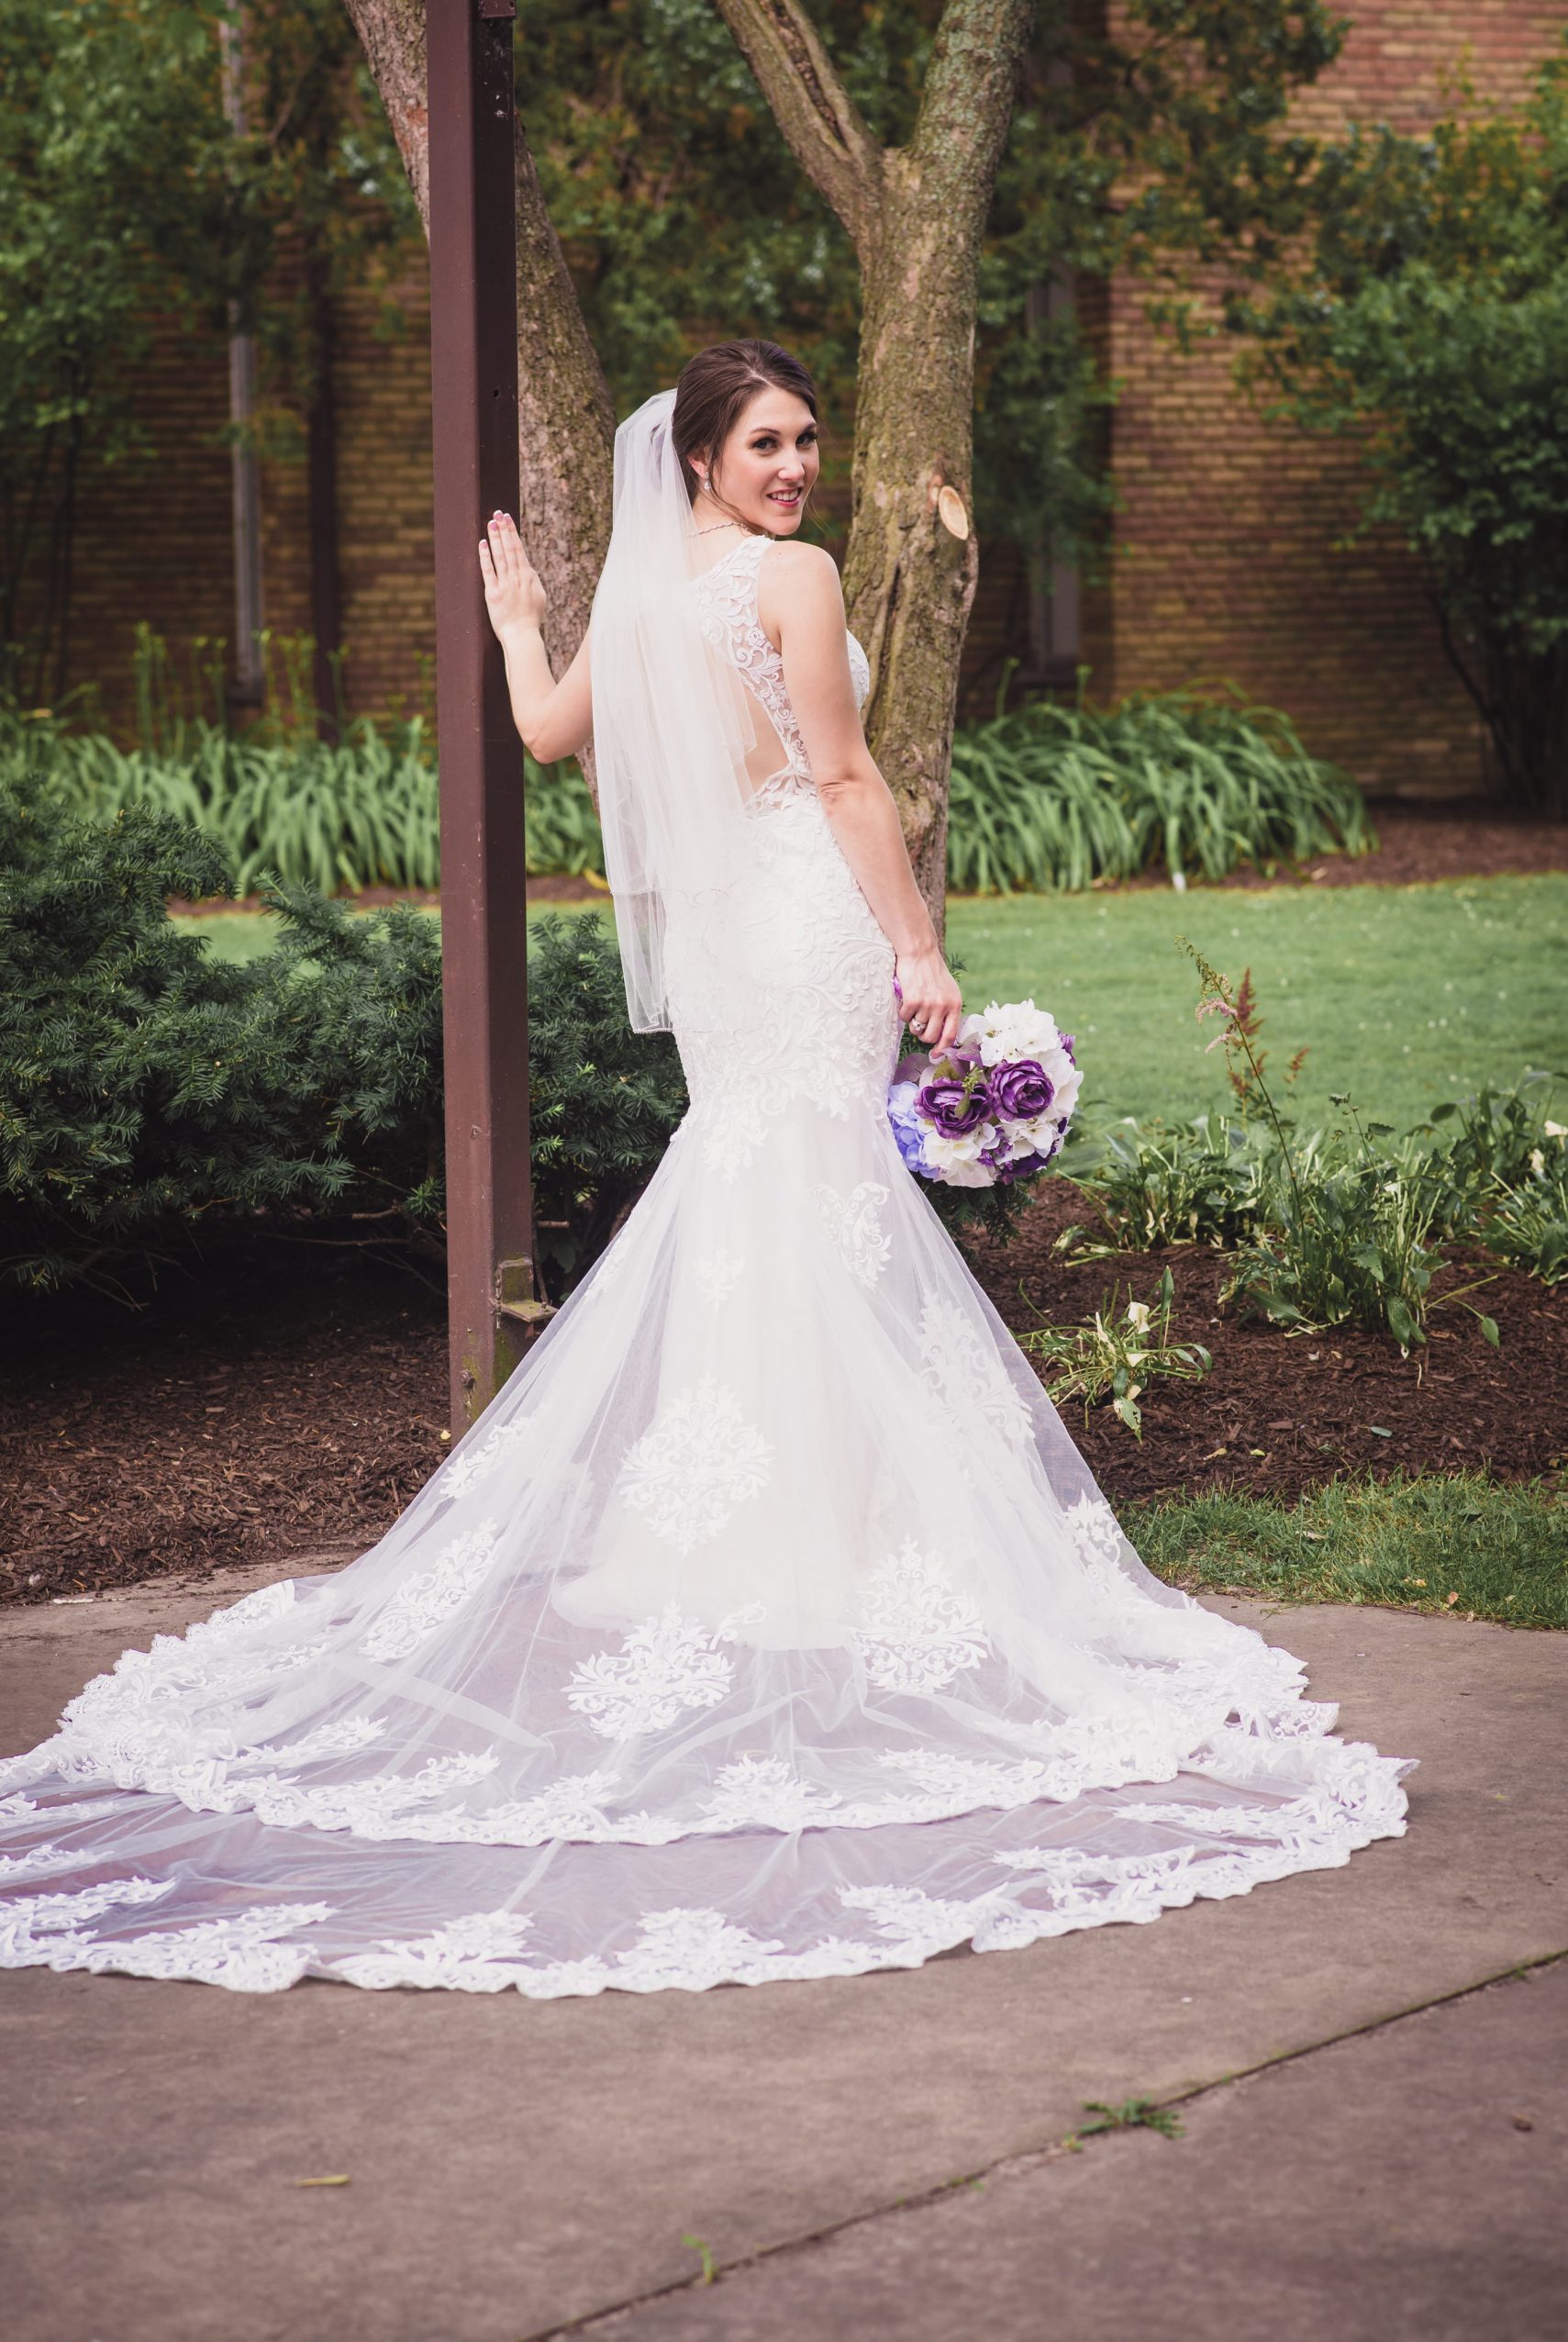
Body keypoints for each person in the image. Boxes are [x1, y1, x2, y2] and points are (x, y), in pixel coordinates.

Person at [0, 342, 1410, 1997]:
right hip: (805, 912)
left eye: (809, 438)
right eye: (766, 441)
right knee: (812, 1205)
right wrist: (916, 946)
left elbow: (543, 735)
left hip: (731, 941)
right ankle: (832, 1539)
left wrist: (525, 621)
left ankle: (756, 1535)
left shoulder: (654, 594)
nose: (798, 465)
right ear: (696, 455)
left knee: (766, 1197)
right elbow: (842, 772)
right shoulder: (794, 579)